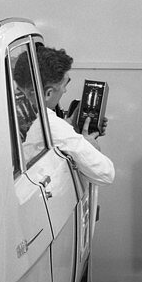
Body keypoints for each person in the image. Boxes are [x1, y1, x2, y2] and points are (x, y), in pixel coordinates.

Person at [22, 45, 115, 186]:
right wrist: (89, 145)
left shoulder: (19, 108)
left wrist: (70, 123)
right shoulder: (51, 124)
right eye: (64, 85)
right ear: (48, 93)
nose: (65, 91)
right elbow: (106, 174)